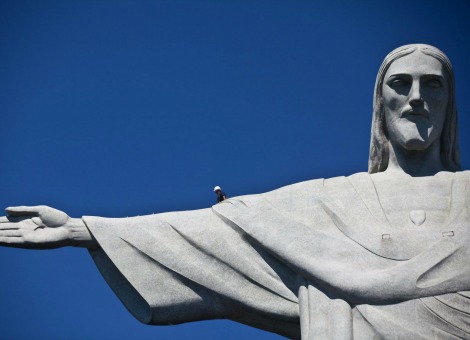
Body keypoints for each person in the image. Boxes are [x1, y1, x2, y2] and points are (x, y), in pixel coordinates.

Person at [0, 44, 468, 339]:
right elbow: (218, 230)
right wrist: (83, 230)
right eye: (400, 84)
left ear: (450, 103)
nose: (416, 99)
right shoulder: (332, 199)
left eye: (433, 86)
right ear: (379, 105)